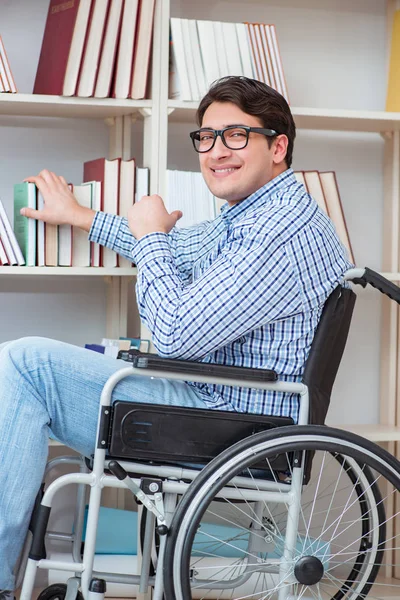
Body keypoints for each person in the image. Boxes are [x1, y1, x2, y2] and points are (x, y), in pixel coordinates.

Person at [0, 76, 352, 598]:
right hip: (217, 406)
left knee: (24, 365)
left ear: (277, 147)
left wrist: (150, 236)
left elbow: (174, 334)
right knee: (22, 366)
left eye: (235, 135)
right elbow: (177, 248)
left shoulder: (279, 232)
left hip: (225, 423)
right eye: (206, 138)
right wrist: (85, 218)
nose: (215, 151)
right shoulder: (259, 215)